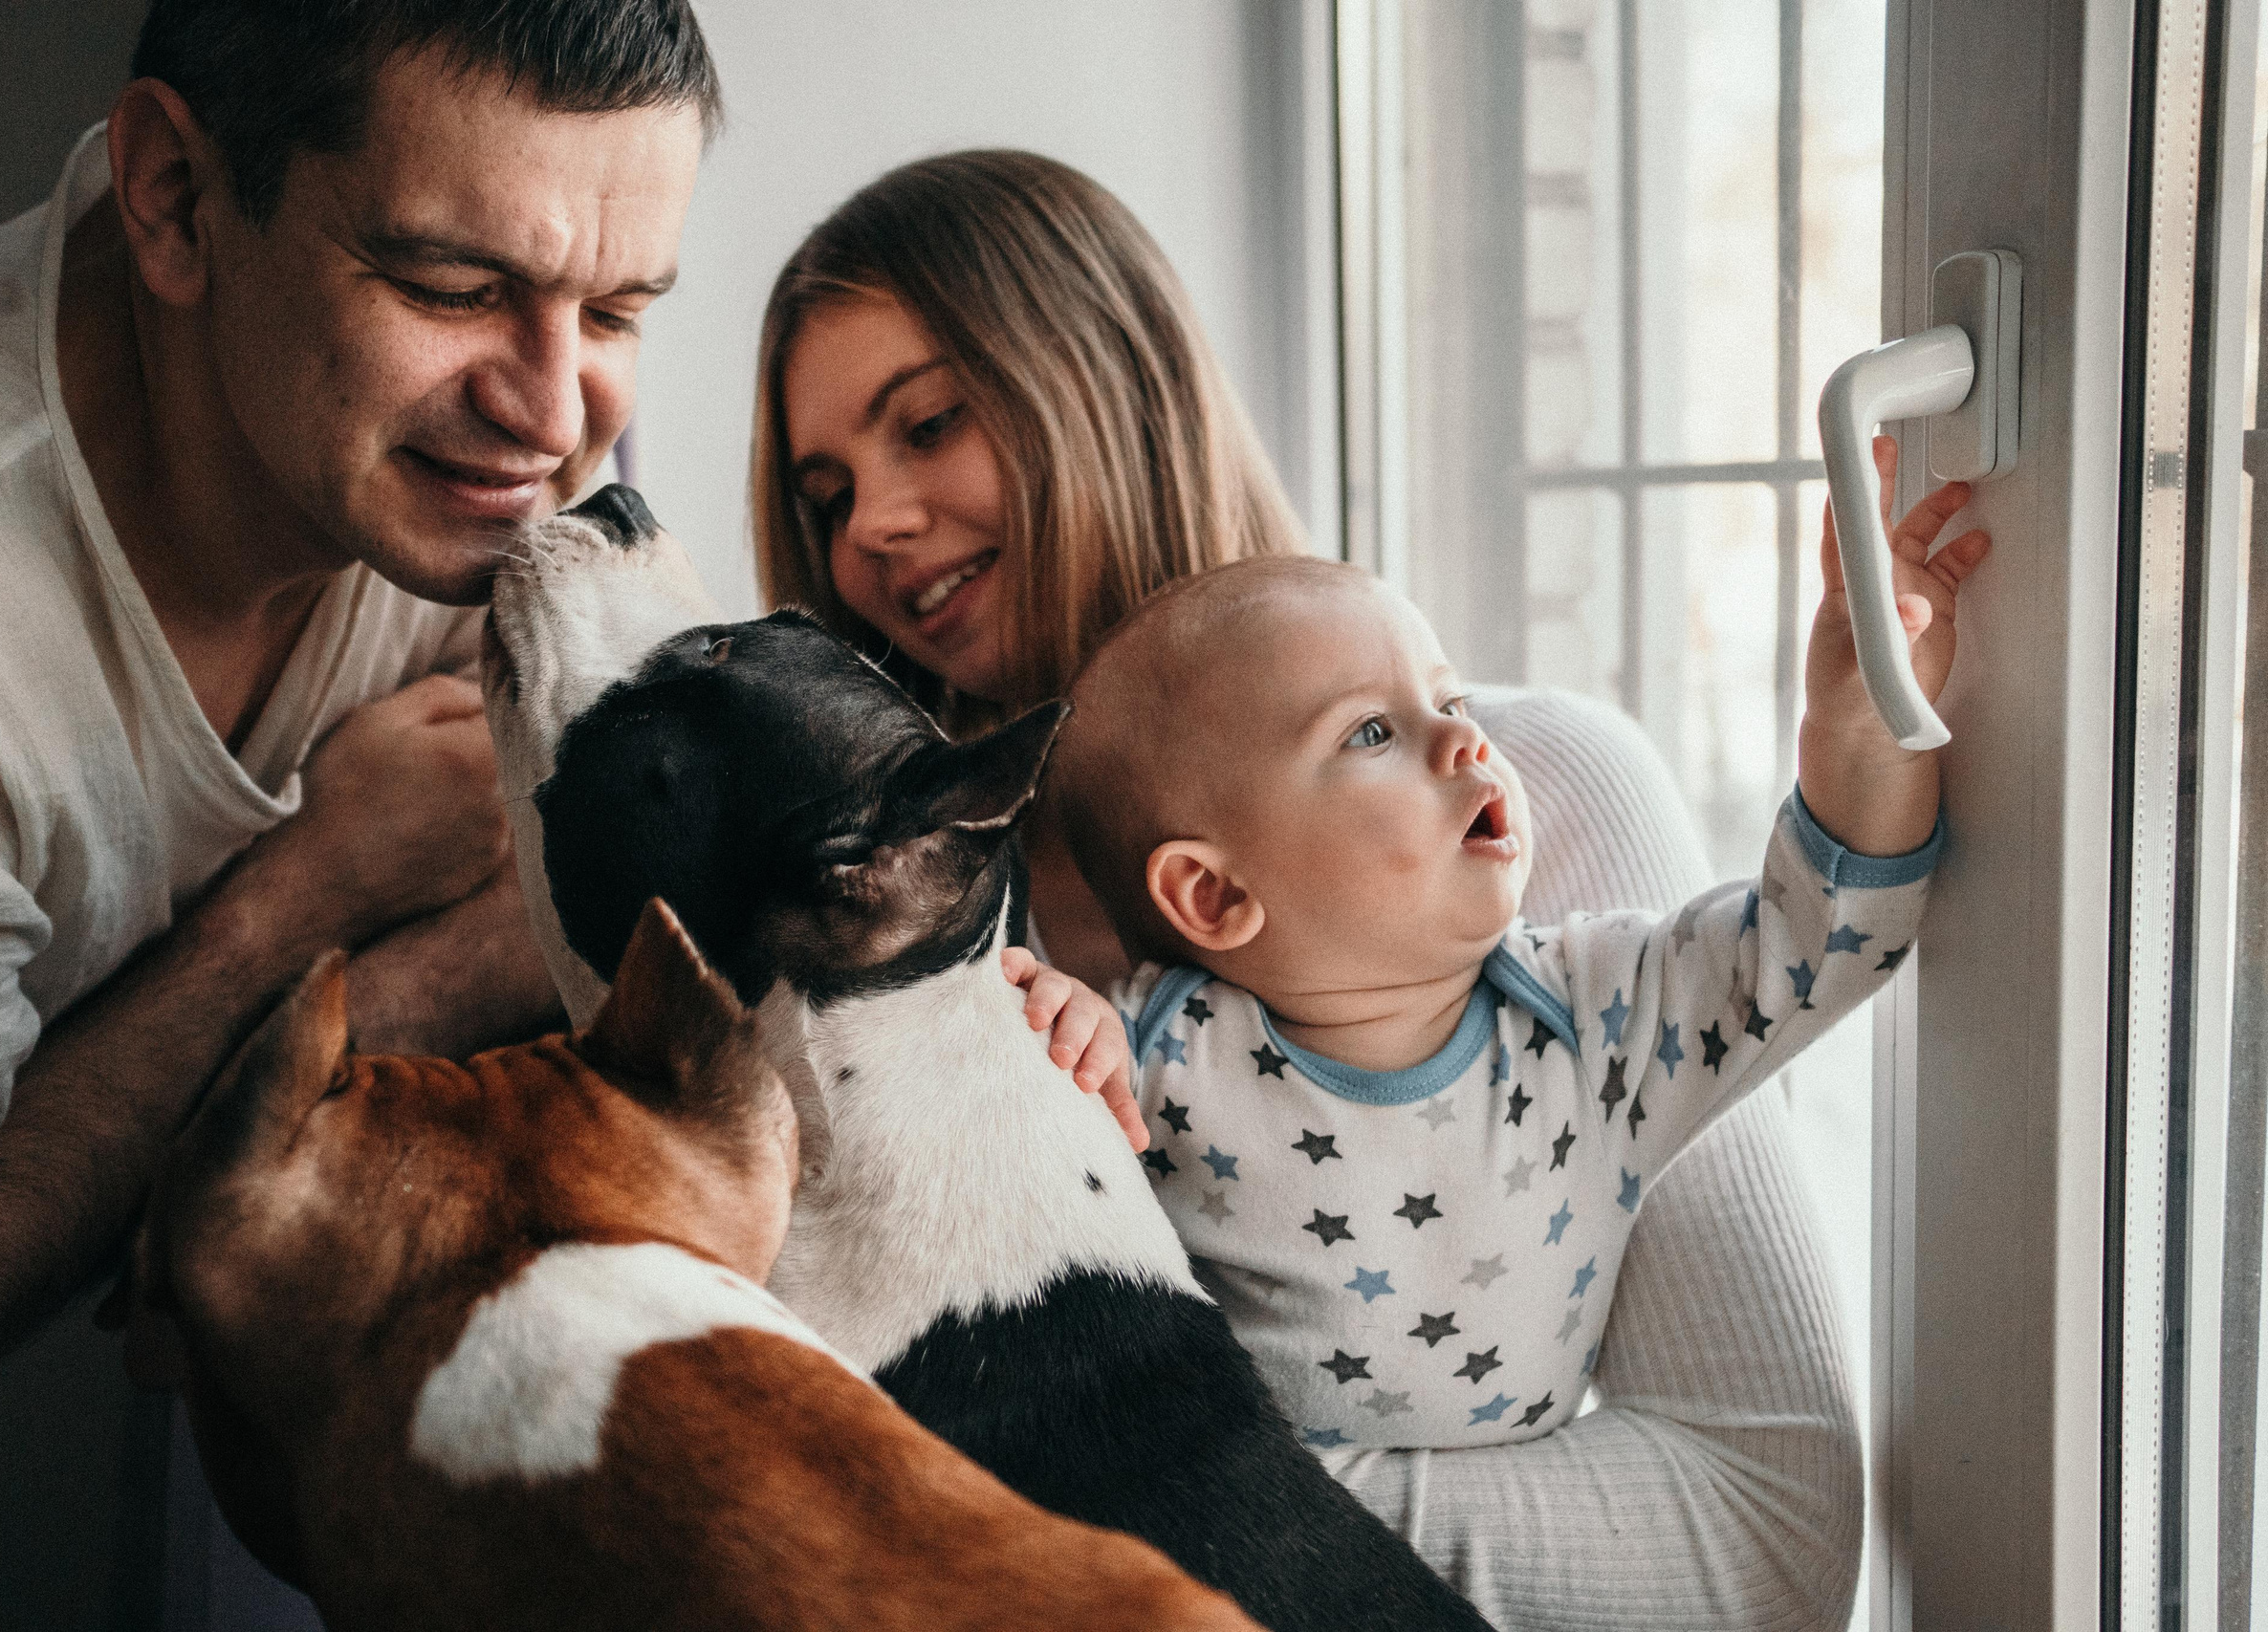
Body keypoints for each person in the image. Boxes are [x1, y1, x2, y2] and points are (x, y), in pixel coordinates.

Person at [756, 147, 1886, 1628]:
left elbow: (1759, 1529)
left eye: (931, 422)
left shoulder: (1539, 800)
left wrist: (1142, 1513)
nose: (873, 531)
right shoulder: (905, 960)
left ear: (1111, 378)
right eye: (827, 491)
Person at [0, 0, 716, 1489]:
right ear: (174, 200)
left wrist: (308, 1064)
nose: (557, 419)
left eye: (619, 312)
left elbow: (652, 830)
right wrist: (294, 906)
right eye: (448, 285)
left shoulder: (476, 430)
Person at [1049, 503, 1976, 1452]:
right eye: (1370, 732)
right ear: (1210, 894)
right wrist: (1038, 1027)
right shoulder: (1149, 1058)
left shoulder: (1595, 1012)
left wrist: (1857, 732)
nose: (1467, 743)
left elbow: (1821, 937)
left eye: (1449, 704)